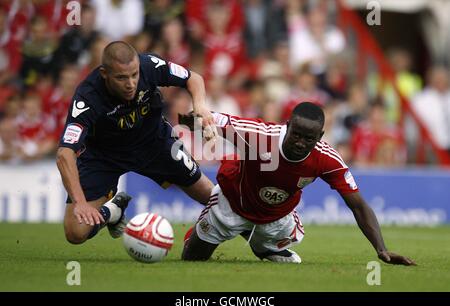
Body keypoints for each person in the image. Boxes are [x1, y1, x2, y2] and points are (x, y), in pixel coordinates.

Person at [180, 102, 415, 265]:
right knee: (191, 259)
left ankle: (263, 245)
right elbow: (203, 117)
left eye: (309, 138)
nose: (301, 143)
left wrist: (381, 249)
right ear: (288, 124)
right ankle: (236, 235)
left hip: (276, 219)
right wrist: (186, 124)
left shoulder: (326, 158)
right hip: (231, 204)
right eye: (297, 134)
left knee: (278, 256)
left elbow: (358, 205)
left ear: (320, 136)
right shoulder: (260, 135)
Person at [56, 41, 216, 244]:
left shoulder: (149, 65)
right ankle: (111, 212)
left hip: (155, 143)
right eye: (122, 77)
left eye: (134, 75)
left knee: (212, 197)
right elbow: (64, 154)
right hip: (104, 156)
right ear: (105, 74)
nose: (131, 83)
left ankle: (259, 237)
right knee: (75, 233)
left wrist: (200, 106)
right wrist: (80, 202)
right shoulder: (87, 98)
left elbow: (193, 78)